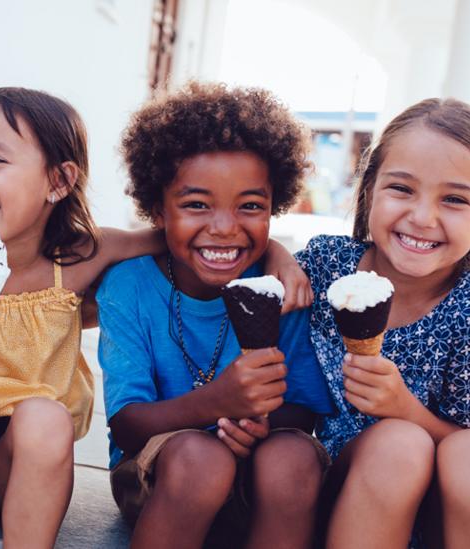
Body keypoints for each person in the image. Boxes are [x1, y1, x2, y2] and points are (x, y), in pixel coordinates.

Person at [0, 86, 310, 548]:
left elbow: (184, 235)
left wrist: (276, 252)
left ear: (58, 182)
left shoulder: (80, 257)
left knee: (46, 417)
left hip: (21, 459)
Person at [297, 98, 470, 548]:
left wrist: (404, 408)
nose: (422, 217)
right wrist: (276, 258)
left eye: (454, 199)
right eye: (402, 189)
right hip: (348, 494)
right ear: (370, 187)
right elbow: (249, 279)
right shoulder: (325, 266)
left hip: (443, 520)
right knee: (397, 446)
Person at [98, 82, 335, 549]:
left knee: (294, 456)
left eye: (250, 206)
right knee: (201, 458)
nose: (225, 227)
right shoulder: (129, 286)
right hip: (162, 475)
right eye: (196, 205)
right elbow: (126, 424)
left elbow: (302, 411)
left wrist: (259, 423)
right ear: (158, 210)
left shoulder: (281, 289)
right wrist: (219, 402)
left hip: (255, 480)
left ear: (275, 206)